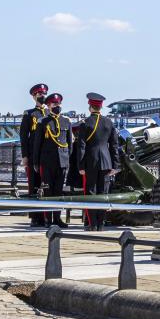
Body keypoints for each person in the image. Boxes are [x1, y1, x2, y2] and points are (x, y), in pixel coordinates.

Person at [71, 92, 117, 231]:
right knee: (103, 193)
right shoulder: (109, 122)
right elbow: (114, 145)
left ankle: (92, 224)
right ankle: (101, 223)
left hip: (90, 162)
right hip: (106, 161)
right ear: (101, 107)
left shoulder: (85, 123)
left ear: (90, 107)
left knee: (90, 193)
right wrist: (115, 165)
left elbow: (82, 146)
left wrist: (80, 165)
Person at [31, 92, 71, 227]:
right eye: (54, 104)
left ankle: (58, 218)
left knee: (59, 191)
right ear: (48, 105)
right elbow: (38, 144)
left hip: (62, 161)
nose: (57, 106)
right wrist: (36, 162)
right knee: (48, 191)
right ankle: (48, 218)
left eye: (58, 104)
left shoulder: (66, 121)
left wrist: (68, 161)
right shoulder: (43, 122)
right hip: (47, 161)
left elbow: (69, 143)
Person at [19, 83, 48, 226]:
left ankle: (48, 215)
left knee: (48, 185)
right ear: (34, 96)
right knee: (34, 185)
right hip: (32, 154)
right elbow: (24, 136)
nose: (42, 96)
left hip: (47, 154)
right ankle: (35, 216)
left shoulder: (50, 113)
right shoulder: (29, 114)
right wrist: (25, 156)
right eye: (40, 94)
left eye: (44, 93)